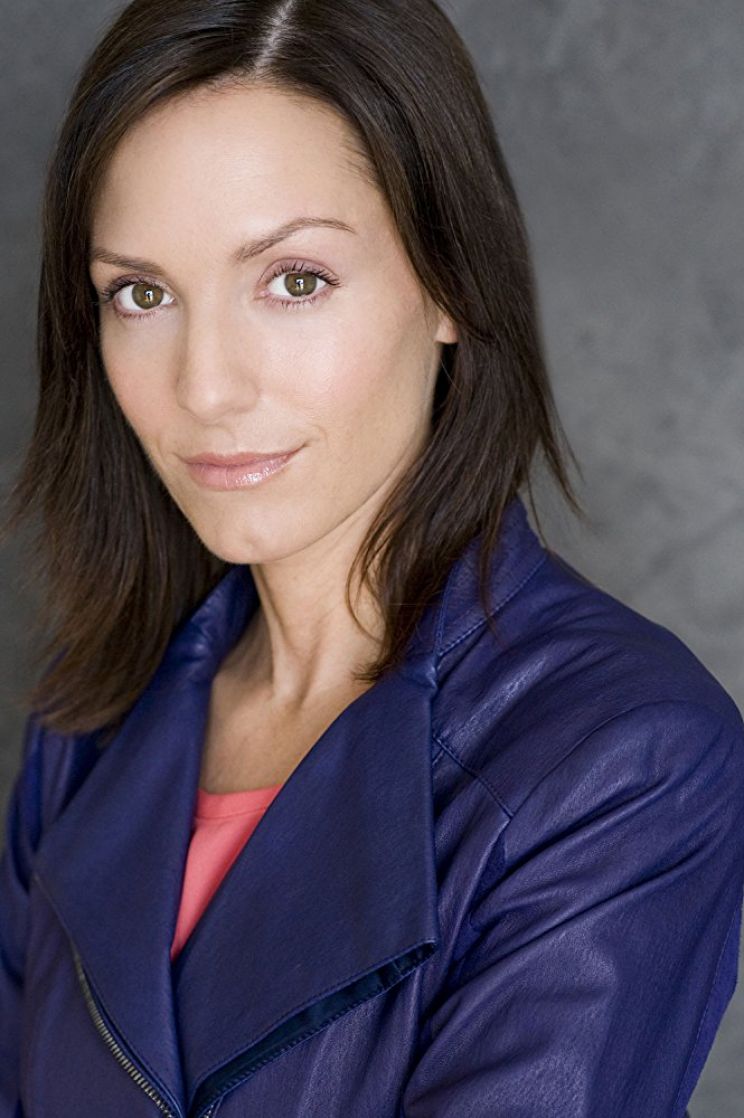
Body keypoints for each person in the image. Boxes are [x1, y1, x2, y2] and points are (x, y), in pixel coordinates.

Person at [1, 1, 742, 1115]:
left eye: (294, 279)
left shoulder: (626, 759)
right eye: (142, 294)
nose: (206, 385)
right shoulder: (89, 721)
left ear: (447, 284)